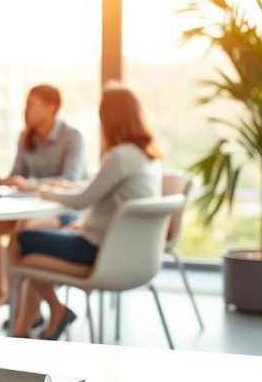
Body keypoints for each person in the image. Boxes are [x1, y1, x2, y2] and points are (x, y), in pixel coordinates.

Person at [9, 84, 161, 340]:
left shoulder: (118, 156)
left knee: (21, 241)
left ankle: (25, 328)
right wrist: (72, 199)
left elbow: (82, 200)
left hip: (97, 252)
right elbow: (101, 191)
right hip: (130, 252)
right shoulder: (145, 156)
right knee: (40, 234)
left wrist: (41, 190)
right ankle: (40, 320)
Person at [0, 84, 87, 317]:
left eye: (30, 105)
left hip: (62, 211)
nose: (24, 110)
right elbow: (18, 172)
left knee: (22, 233)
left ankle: (26, 311)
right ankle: (2, 291)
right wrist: (7, 181)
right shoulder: (25, 137)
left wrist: (32, 184)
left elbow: (71, 180)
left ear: (51, 108)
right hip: (28, 207)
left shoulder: (72, 137)